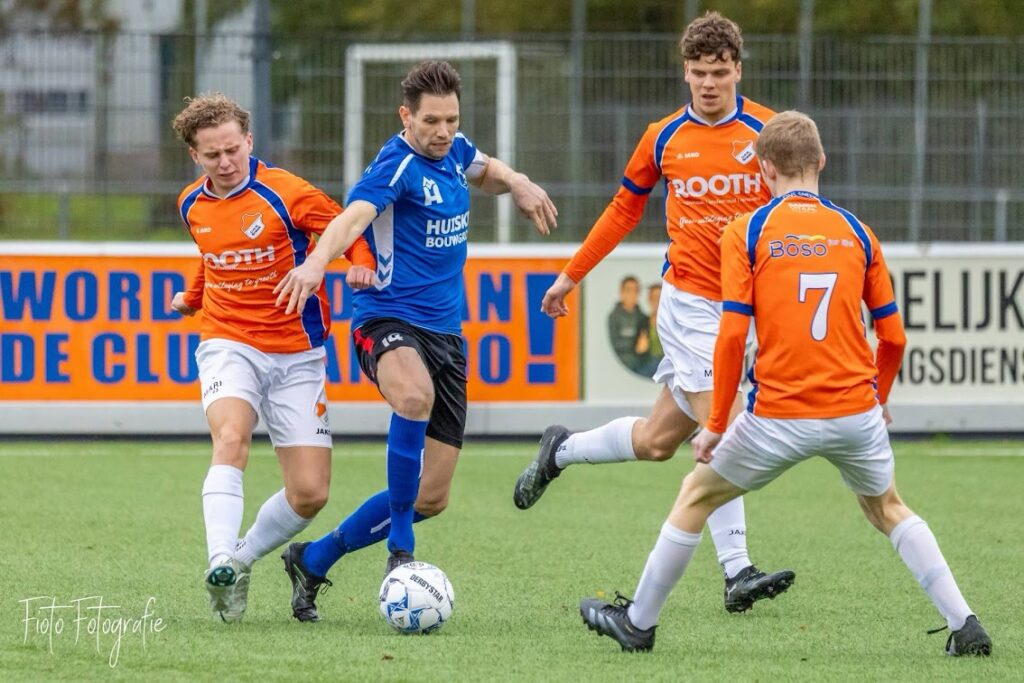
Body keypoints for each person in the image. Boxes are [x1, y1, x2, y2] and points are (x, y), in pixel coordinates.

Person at [579, 111, 992, 657]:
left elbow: (732, 336)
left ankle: (638, 623)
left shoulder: (746, 231)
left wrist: (716, 424)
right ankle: (965, 623)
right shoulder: (858, 233)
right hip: (854, 412)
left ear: (764, 169)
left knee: (696, 495)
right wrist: (880, 399)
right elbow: (893, 337)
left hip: (779, 415)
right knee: (888, 508)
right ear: (821, 161)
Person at [513, 11, 794, 613]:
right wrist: (570, 276)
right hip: (690, 305)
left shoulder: (768, 133)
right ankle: (737, 571)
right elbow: (622, 210)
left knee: (659, 441)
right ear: (685, 72)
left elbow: (795, 214)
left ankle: (560, 450)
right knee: (727, 425)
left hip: (748, 310)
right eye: (699, 72)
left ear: (738, 70)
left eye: (720, 72)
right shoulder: (663, 137)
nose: (709, 83)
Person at [272, 60, 558, 622]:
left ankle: (314, 558)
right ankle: (400, 549)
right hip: (385, 320)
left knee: (432, 496)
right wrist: (316, 263)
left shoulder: (453, 149)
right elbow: (352, 218)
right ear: (406, 116)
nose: (444, 131)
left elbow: (486, 169)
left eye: (452, 119)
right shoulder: (396, 164)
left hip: (446, 335)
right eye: (431, 121)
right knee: (413, 397)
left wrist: (520, 183)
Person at [170, 92, 376, 622]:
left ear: (249, 140)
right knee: (231, 437)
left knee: (309, 493)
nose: (225, 162)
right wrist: (194, 296)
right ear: (195, 155)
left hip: (298, 355)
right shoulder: (191, 203)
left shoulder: (286, 192)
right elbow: (213, 255)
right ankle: (219, 557)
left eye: (233, 149)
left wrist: (361, 262)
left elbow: (346, 226)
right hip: (228, 341)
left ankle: (240, 562)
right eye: (212, 155)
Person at [607, 275, 651, 374]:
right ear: (621, 293)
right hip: (620, 366)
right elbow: (614, 345)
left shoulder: (643, 318)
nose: (632, 294)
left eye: (635, 290)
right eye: (628, 290)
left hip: (641, 365)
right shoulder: (614, 317)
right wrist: (636, 346)